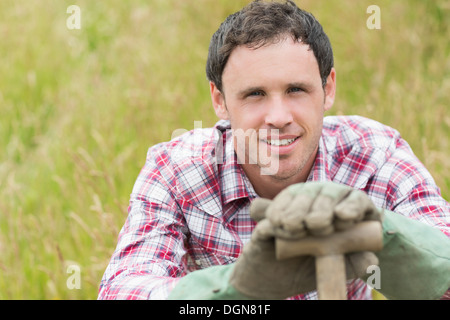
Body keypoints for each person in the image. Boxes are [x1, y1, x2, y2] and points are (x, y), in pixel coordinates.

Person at [98, 0, 450, 300]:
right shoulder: (176, 170)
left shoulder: (374, 154)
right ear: (219, 100)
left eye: (296, 89)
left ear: (328, 88)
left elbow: (444, 255)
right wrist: (233, 291)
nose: (279, 118)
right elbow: (123, 288)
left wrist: (385, 235)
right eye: (255, 94)